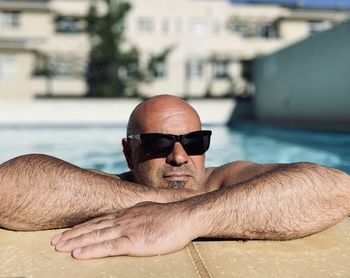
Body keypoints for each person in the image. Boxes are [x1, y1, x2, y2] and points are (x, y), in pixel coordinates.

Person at [0, 94, 349, 260]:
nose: (179, 157)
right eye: (158, 143)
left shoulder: (226, 179)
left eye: (194, 142)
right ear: (128, 152)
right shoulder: (109, 186)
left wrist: (186, 215)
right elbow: (8, 186)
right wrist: (156, 202)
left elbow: (337, 188)